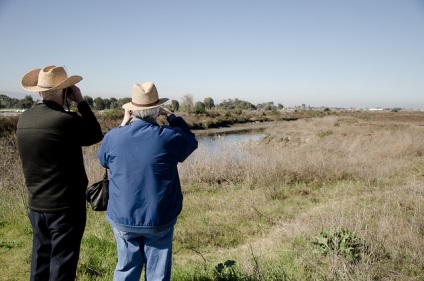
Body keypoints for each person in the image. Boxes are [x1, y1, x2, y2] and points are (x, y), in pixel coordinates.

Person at [98, 82, 198, 280]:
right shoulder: (168, 137)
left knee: (125, 269)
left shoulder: (113, 137)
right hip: (159, 217)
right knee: (158, 274)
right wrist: (172, 117)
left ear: (132, 111)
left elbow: (103, 160)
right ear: (156, 111)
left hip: (123, 216)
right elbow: (190, 140)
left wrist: (122, 124)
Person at [16, 65, 103, 280]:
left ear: (39, 91)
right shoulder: (65, 121)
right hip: (65, 207)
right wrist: (81, 102)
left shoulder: (24, 119)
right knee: (62, 263)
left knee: (40, 257)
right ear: (65, 92)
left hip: (36, 203)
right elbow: (95, 134)